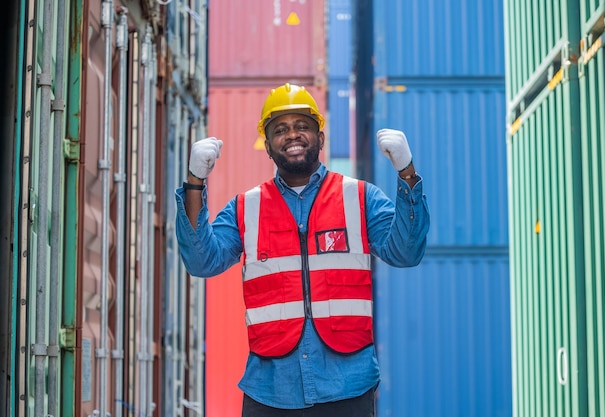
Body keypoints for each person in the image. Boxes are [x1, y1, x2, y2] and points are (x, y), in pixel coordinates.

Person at [175, 83, 430, 416]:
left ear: (320, 138)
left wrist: (406, 173)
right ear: (267, 146)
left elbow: (406, 253)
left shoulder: (359, 197)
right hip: (269, 392)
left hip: (348, 389)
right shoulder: (245, 208)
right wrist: (195, 181)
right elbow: (201, 261)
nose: (292, 135)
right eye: (280, 129)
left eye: (302, 127)